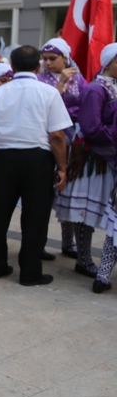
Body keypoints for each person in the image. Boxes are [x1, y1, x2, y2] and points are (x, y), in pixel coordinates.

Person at [0, 45, 71, 286]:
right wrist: (62, 167)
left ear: (12, 66)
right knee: (35, 217)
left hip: (4, 158)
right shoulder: (49, 93)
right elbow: (57, 136)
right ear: (38, 66)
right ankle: (30, 272)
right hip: (37, 160)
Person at [37, 38, 95, 270]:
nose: (48, 63)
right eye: (45, 59)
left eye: (53, 59)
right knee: (45, 195)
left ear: (65, 58)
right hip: (52, 139)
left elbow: (86, 103)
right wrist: (60, 83)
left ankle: (68, 242)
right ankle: (38, 243)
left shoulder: (78, 78)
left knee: (70, 191)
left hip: (75, 140)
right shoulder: (41, 80)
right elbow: (46, 107)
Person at [77, 43, 117, 293]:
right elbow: (92, 127)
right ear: (109, 62)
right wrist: (112, 142)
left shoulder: (112, 87)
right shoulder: (95, 89)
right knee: (88, 212)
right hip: (98, 161)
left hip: (110, 161)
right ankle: (84, 259)